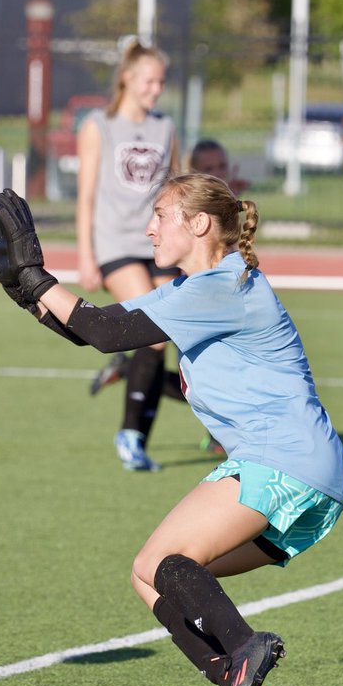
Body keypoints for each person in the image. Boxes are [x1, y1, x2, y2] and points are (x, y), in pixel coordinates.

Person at [0, 180, 343, 686]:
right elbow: (97, 328)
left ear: (200, 225)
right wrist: (27, 292)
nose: (149, 228)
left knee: (168, 561)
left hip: (284, 459)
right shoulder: (198, 289)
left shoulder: (219, 287)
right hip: (312, 476)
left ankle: (245, 647)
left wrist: (39, 278)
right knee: (148, 574)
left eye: (160, 215)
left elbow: (104, 333)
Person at [92, 136, 248, 458]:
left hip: (210, 301)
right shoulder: (188, 209)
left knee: (207, 370)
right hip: (192, 295)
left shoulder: (226, 205)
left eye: (221, 166)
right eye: (208, 168)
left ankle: (220, 431)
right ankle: (136, 434)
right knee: (185, 362)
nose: (217, 173)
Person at [77, 37, 180, 472]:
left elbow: (178, 191)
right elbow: (85, 197)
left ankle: (125, 368)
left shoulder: (166, 128)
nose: (156, 89)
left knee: (176, 333)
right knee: (153, 335)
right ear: (127, 78)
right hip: (115, 242)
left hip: (158, 243)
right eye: (149, 81)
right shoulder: (98, 125)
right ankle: (131, 437)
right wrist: (85, 254)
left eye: (161, 82)